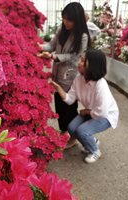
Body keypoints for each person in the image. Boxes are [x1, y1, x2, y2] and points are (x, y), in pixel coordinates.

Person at [49, 49, 119, 163]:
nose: (79, 63)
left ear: (93, 65)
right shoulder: (79, 79)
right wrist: (57, 87)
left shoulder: (101, 85)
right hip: (91, 111)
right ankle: (91, 141)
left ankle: (95, 151)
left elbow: (102, 112)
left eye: (83, 60)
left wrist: (86, 112)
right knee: (71, 128)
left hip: (105, 116)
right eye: (80, 59)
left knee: (82, 131)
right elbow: (70, 99)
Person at [37, 2, 91, 148]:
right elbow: (52, 45)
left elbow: (74, 56)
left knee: (69, 106)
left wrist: (54, 57)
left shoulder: (83, 36)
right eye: (64, 18)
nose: (65, 22)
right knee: (59, 105)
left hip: (70, 76)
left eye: (69, 19)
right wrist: (40, 46)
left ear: (77, 19)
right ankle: (63, 131)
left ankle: (73, 135)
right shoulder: (63, 30)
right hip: (57, 74)